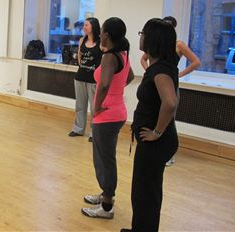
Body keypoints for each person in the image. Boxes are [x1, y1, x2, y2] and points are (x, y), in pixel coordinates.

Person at [120, 19, 179, 232]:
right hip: (155, 142)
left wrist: (156, 132)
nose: (141, 36)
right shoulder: (160, 65)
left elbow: (170, 102)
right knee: (146, 192)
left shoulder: (160, 70)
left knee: (145, 194)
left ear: (152, 39)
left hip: (156, 144)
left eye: (142, 32)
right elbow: (158, 102)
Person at [82, 17, 134, 219]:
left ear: (106, 35)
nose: (100, 32)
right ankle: (105, 195)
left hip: (107, 115)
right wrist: (115, 93)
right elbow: (128, 77)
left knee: (105, 160)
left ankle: (106, 206)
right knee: (104, 158)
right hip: (117, 110)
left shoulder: (110, 57)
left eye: (102, 30)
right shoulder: (123, 54)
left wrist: (96, 108)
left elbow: (103, 85)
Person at [140, 16, 200, 166]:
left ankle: (168, 153)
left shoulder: (178, 45)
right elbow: (143, 59)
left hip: (170, 84)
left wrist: (180, 74)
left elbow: (196, 62)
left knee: (169, 118)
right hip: (159, 82)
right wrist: (150, 72)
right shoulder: (156, 49)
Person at [68, 17, 102, 142]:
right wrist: (84, 66)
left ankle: (94, 132)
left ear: (93, 26)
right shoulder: (82, 40)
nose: (84, 27)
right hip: (80, 77)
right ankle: (78, 129)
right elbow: (80, 57)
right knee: (80, 105)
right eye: (84, 25)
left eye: (86, 25)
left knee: (94, 107)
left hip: (94, 80)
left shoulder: (101, 43)